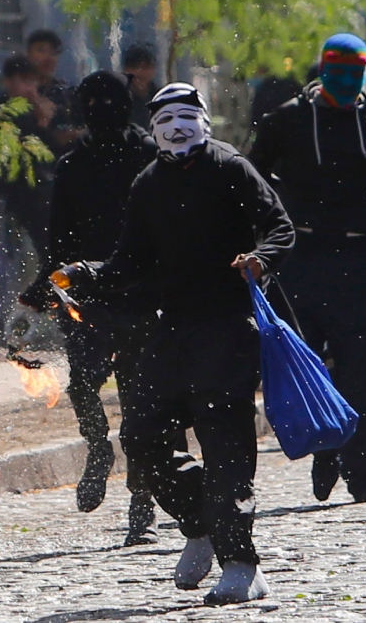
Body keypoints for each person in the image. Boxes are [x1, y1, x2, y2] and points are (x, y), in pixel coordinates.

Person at [54, 82, 294, 604]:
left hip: (228, 328)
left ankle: (241, 565)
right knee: (141, 436)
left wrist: (260, 260)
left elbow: (280, 227)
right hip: (173, 329)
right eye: (165, 120)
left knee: (224, 444)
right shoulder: (148, 183)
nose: (176, 128)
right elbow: (129, 262)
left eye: (186, 116)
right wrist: (86, 273)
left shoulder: (231, 168)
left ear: (203, 120)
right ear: (154, 128)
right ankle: (198, 524)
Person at [249, 33, 366, 504]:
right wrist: (265, 235)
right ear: (322, 70)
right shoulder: (287, 120)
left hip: (357, 259)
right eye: (336, 71)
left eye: (354, 73)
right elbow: (251, 176)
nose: (345, 81)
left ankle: (365, 471)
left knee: (364, 366)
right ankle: (326, 448)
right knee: (309, 362)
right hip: (300, 258)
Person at [18, 70, 170, 546]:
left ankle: (142, 505)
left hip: (142, 298)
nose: (103, 111)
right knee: (83, 385)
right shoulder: (73, 166)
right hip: (87, 299)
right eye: (94, 103)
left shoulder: (151, 157)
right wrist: (44, 289)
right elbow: (59, 240)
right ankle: (98, 448)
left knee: (140, 407)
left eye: (112, 102)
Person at [0, 54, 58, 261]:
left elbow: (50, 150)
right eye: (22, 81)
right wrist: (41, 124)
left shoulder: (37, 107)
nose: (28, 88)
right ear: (8, 82)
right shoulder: (3, 112)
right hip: (17, 191)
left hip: (41, 189)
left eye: (31, 81)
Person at [25, 29, 85, 155]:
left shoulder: (67, 93)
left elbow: (84, 127)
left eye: (53, 52)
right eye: (41, 50)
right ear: (28, 54)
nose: (48, 58)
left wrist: (73, 135)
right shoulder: (18, 94)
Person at [121, 44, 160, 130]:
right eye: (134, 67)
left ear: (153, 69)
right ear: (125, 69)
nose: (140, 72)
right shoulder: (118, 99)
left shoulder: (160, 98)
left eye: (146, 67)